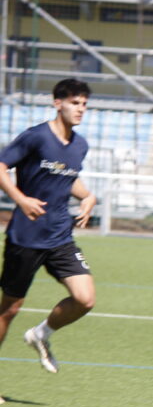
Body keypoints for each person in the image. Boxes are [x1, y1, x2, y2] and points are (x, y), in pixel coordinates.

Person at [0, 78, 97, 379]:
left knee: (85, 299)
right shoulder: (36, 137)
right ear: (58, 103)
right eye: (74, 103)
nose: (80, 109)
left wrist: (89, 196)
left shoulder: (80, 145)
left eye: (84, 104)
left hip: (60, 237)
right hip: (26, 237)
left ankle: (41, 334)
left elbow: (69, 178)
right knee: (9, 309)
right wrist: (21, 199)